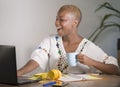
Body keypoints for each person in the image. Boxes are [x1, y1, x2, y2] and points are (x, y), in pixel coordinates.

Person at [17, 5, 120, 76]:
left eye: (61, 20)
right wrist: (18, 72)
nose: (56, 23)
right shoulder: (50, 40)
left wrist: (91, 62)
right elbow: (37, 58)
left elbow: (115, 69)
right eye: (56, 19)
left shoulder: (88, 46)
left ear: (75, 23)